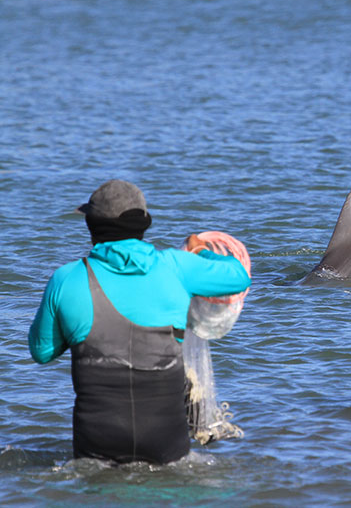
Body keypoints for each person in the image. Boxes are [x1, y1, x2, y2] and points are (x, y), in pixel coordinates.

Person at [28, 179, 251, 464]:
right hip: (167, 445)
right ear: (144, 224)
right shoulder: (176, 266)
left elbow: (42, 352)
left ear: (91, 225)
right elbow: (238, 276)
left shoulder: (65, 279)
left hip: (95, 448)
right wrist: (199, 250)